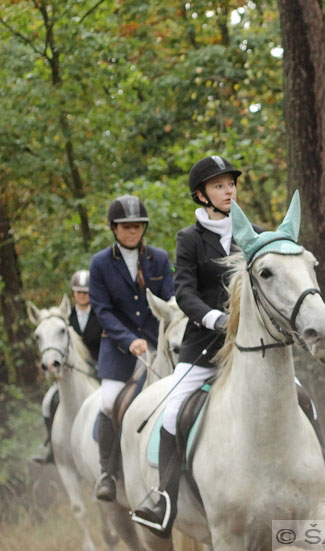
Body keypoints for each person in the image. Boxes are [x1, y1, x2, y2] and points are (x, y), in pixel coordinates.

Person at [132, 155, 241, 537]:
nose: (228, 191)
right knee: (172, 411)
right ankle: (165, 498)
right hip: (204, 346)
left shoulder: (253, 233)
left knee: (299, 395)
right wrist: (215, 319)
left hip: (249, 347)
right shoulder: (189, 239)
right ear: (201, 195)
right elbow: (185, 292)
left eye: (231, 184)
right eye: (218, 186)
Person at [89, 194, 173, 501]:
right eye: (126, 226)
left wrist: (160, 337)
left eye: (138, 226)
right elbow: (102, 310)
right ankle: (107, 473)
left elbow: (169, 300)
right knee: (109, 401)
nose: (132, 231)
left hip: (157, 345)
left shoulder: (159, 258)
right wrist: (129, 340)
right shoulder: (100, 263)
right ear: (114, 228)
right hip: (118, 349)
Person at [32, 270, 103, 465]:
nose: (82, 296)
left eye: (86, 292)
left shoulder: (101, 315)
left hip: (98, 370)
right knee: (48, 402)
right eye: (79, 292)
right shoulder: (65, 318)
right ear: (73, 293)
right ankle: (50, 446)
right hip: (69, 372)